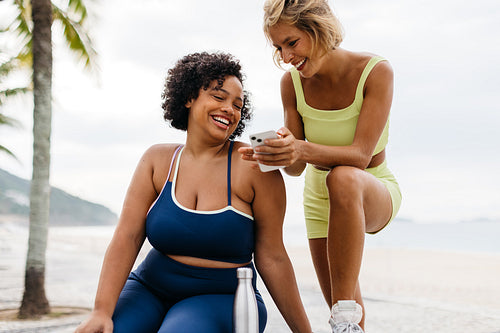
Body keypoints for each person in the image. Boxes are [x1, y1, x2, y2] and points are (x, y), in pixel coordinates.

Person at [75, 52, 312, 333]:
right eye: (218, 97)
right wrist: (101, 311)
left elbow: (273, 256)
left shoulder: (252, 165)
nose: (230, 109)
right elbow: (127, 237)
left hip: (222, 297)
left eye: (238, 105)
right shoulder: (157, 160)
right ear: (189, 97)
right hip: (149, 287)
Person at [239, 1, 402, 332]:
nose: (285, 58)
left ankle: (343, 316)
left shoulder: (376, 71)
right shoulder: (292, 84)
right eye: (279, 47)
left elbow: (359, 156)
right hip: (319, 198)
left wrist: (300, 147)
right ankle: (345, 322)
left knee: (343, 178)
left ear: (318, 28)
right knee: (349, 321)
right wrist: (279, 152)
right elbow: (297, 169)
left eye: (292, 43)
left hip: (371, 185)